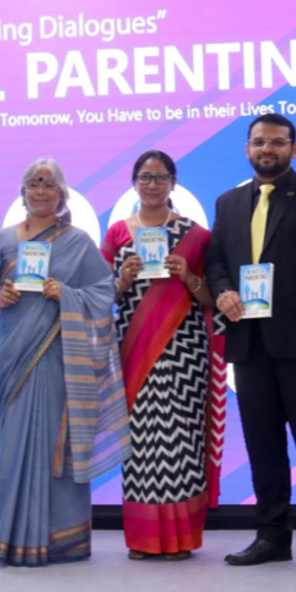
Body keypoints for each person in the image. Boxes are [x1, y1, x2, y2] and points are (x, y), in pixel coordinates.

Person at [205, 114, 296, 574]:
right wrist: (225, 289)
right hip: (249, 344)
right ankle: (271, 535)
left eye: (277, 142)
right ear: (247, 148)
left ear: (294, 148)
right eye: (259, 142)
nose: (267, 149)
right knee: (262, 445)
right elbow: (215, 262)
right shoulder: (228, 203)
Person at [0, 158, 131, 567]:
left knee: (55, 445)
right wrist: (1, 297)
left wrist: (65, 292)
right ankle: (13, 537)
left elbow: (104, 293)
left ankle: (62, 539)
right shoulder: (3, 239)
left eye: (48, 185)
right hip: (14, 355)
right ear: (23, 191)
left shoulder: (77, 241)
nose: (41, 191)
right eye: (33, 184)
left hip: (58, 357)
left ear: (62, 195)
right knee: (15, 446)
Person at [102, 150, 227, 561]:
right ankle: (143, 539)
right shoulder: (118, 233)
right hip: (133, 349)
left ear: (174, 182)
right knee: (139, 444)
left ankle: (181, 539)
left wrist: (189, 277)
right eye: (144, 177)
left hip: (184, 350)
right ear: (134, 182)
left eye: (160, 177)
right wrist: (121, 279)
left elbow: (212, 298)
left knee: (180, 441)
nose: (152, 184)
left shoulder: (196, 235)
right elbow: (101, 297)